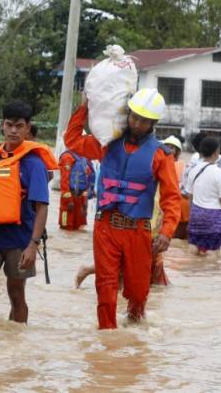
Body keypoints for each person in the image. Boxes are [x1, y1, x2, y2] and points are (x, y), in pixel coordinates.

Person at [64, 89, 180, 329]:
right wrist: (83, 107)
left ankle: (135, 331)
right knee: (105, 290)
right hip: (105, 227)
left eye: (144, 120)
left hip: (137, 231)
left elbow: (172, 198)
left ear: (153, 123)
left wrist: (167, 232)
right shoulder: (107, 144)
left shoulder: (161, 154)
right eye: (134, 117)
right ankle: (107, 340)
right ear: (128, 114)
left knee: (138, 292)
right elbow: (72, 140)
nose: (137, 124)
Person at [0, 101, 58, 323]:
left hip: (20, 240)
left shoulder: (34, 164)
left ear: (27, 128)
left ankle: (16, 339)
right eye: (9, 125)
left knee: (16, 294)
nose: (13, 130)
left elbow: (42, 207)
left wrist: (33, 245)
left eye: (19, 126)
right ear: (2, 126)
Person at [185, 137, 221, 257]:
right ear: (216, 152)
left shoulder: (193, 170)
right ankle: (209, 275)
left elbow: (189, 196)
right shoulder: (218, 172)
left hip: (195, 214)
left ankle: (189, 274)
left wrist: (194, 213)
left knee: (193, 247)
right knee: (212, 251)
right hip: (214, 216)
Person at [58, 150, 94, 230]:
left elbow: (87, 179)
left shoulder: (85, 158)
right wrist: (68, 199)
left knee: (79, 226)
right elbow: (64, 180)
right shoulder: (67, 156)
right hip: (69, 197)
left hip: (81, 199)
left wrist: (85, 200)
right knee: (67, 226)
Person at [162, 135, 189, 239]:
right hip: (165, 201)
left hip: (181, 202)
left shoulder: (183, 165)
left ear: (177, 151)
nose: (168, 149)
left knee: (179, 236)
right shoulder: (157, 163)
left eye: (171, 147)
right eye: (166, 146)